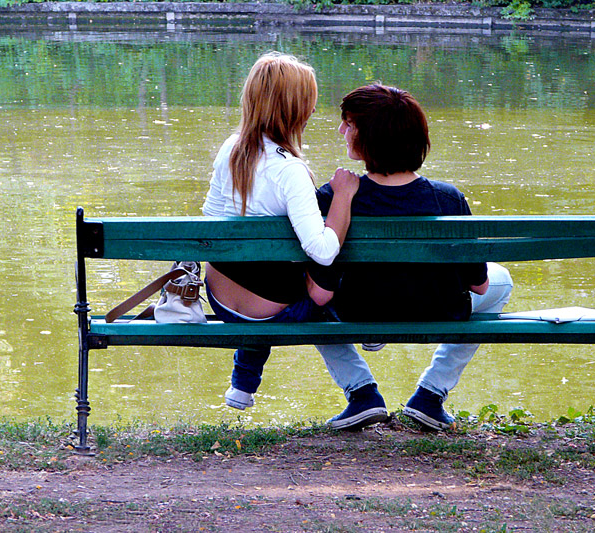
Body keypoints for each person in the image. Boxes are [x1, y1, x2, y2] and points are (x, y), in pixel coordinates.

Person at [309, 84, 514, 431]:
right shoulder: (448, 200)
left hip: (356, 311)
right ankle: (430, 396)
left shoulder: (333, 197)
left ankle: (361, 393)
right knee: (502, 280)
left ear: (371, 137)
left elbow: (320, 290)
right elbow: (479, 286)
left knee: (307, 294)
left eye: (349, 124)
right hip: (438, 310)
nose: (341, 131)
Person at [202, 51, 359, 411]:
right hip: (271, 309)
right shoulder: (289, 171)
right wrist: (343, 198)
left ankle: (242, 386)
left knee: (266, 272)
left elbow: (208, 221)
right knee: (323, 288)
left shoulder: (231, 149)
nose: (314, 111)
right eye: (310, 103)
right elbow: (322, 250)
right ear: (294, 109)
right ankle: (363, 384)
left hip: (222, 298)